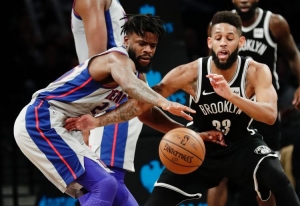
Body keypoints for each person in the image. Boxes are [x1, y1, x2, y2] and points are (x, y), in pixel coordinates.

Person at [64, 11, 300, 206]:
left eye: (230, 37)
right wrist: (98, 121)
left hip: (242, 145)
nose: (223, 42)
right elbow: (142, 108)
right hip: (199, 147)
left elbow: (269, 116)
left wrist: (231, 96)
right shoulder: (190, 73)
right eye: (218, 37)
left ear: (241, 42)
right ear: (210, 42)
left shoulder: (256, 71)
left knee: (278, 177)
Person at [13, 14, 196, 206]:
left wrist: (188, 134)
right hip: (41, 119)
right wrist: (165, 102)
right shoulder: (116, 59)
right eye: (142, 43)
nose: (148, 50)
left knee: (118, 195)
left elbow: (144, 112)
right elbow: (129, 85)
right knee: (104, 184)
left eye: (153, 46)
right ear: (126, 40)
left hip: (64, 128)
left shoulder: (137, 75)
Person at [207, 1, 300, 205]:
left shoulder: (274, 23)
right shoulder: (220, 23)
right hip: (228, 106)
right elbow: (210, 62)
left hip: (261, 104)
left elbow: (293, 55)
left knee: (266, 175)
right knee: (218, 175)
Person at [71, 1, 144, 205]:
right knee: (93, 185)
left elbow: (101, 63)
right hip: (106, 100)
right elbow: (98, 64)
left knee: (102, 184)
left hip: (112, 102)